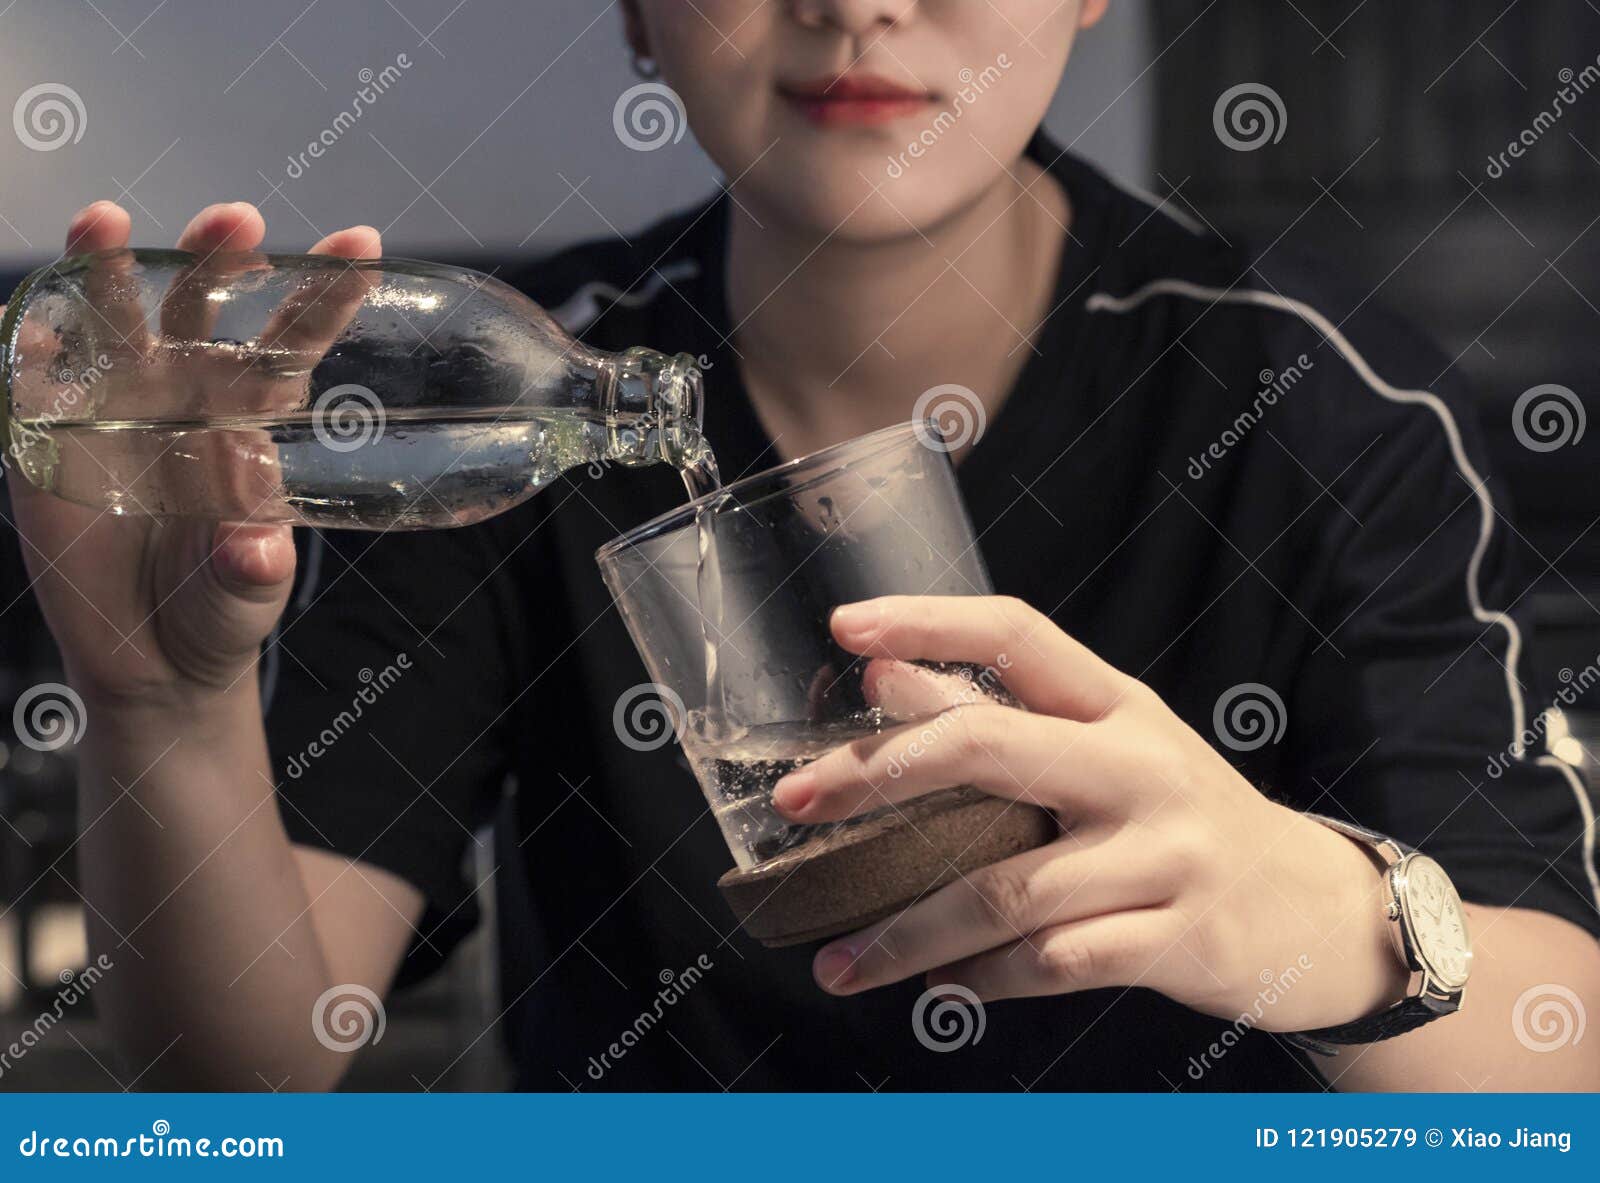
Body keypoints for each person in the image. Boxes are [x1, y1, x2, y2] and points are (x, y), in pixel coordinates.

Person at [11, 0, 1599, 1091]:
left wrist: (1316, 916)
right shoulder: (516, 405)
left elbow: (1560, 1053)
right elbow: (245, 1082)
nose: (858, 5)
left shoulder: (1317, 403)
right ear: (637, 13)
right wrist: (162, 707)